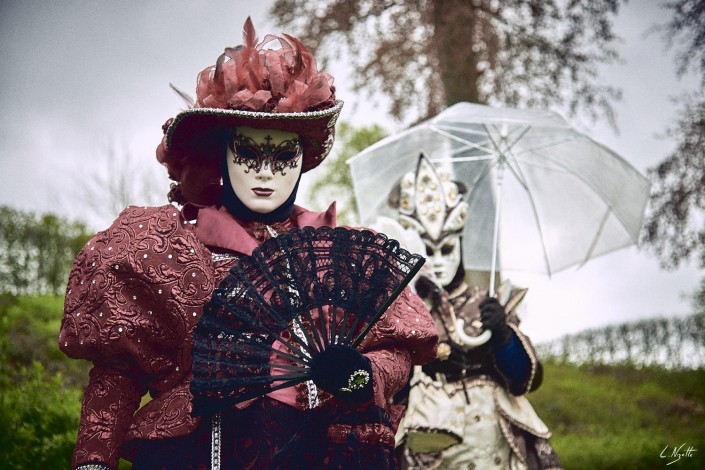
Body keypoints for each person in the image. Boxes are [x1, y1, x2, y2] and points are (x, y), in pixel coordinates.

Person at [58, 18, 438, 470]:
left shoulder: (335, 254)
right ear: (223, 154)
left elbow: (395, 350)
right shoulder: (169, 248)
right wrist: (93, 461)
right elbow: (118, 372)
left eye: (282, 156)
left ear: (301, 163)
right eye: (250, 152)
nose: (265, 171)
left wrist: (361, 375)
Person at [391, 155, 562, 469]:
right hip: (433, 442)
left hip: (495, 443)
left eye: (447, 249)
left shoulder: (487, 301)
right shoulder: (403, 311)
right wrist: (423, 366)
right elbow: (387, 386)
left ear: (461, 244)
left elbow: (526, 378)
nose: (438, 261)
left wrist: (503, 336)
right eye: (428, 250)